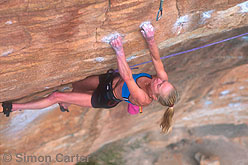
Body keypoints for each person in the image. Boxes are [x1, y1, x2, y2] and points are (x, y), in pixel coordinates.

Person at [1, 22, 179, 133]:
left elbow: (128, 77)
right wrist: (150, 38)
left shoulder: (143, 99)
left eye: (159, 85)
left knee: (56, 95)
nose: (158, 80)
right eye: (163, 81)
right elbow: (156, 58)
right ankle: (67, 103)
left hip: (104, 97)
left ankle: (12, 107)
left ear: (155, 97)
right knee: (75, 84)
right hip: (108, 81)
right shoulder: (161, 77)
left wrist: (119, 50)